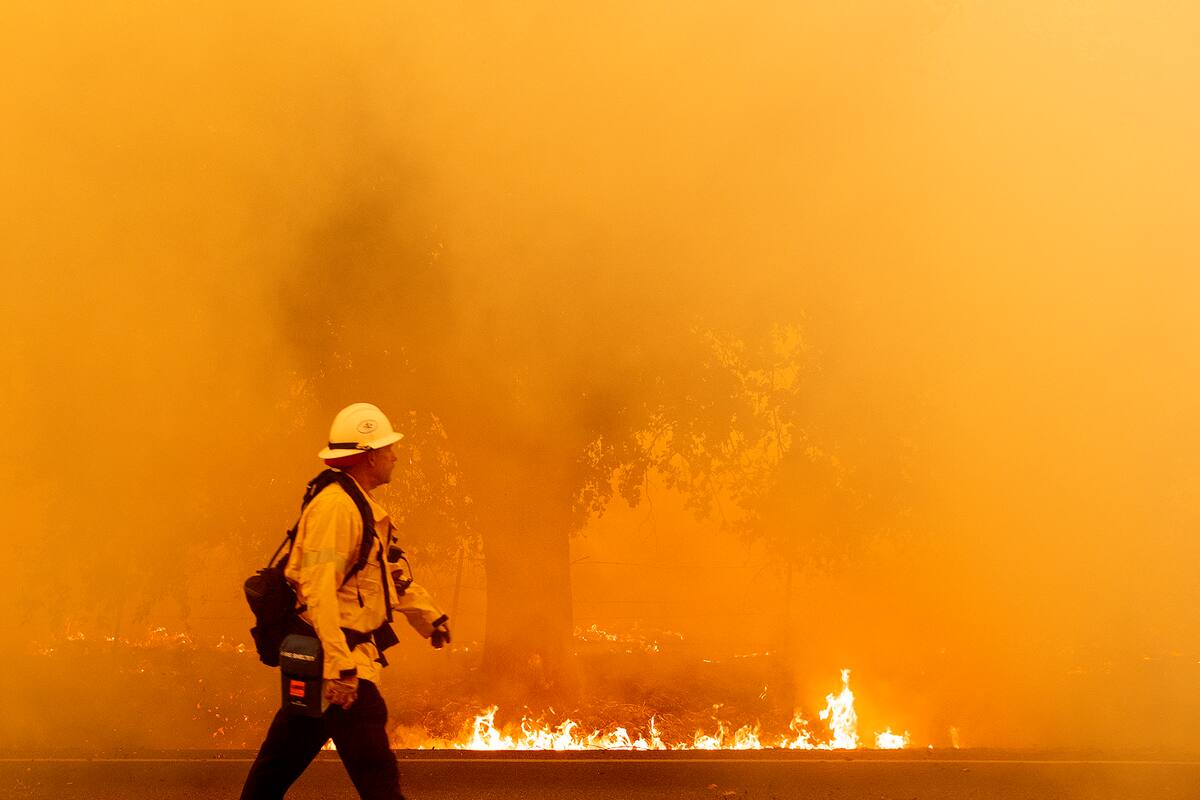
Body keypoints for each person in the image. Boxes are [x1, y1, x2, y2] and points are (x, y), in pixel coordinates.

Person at [241, 402, 451, 800]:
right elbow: (318, 589)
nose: (395, 455)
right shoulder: (337, 509)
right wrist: (339, 669)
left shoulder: (357, 506)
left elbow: (382, 580)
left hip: (327, 664)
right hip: (339, 668)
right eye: (387, 448)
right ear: (369, 457)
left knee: (278, 765)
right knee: (378, 778)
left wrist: (430, 617)